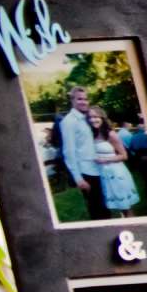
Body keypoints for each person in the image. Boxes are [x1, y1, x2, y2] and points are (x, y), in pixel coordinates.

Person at [56, 91, 101, 220]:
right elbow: (68, 152)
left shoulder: (85, 118)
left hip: (96, 168)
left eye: (86, 99)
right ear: (72, 100)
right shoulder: (68, 121)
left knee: (102, 206)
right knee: (97, 210)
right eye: (80, 99)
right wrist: (78, 178)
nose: (84, 102)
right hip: (86, 172)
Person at [92, 113, 140, 216]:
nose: (92, 120)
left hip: (117, 174)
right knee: (117, 207)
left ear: (102, 118)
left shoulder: (111, 134)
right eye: (90, 117)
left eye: (96, 116)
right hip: (104, 175)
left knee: (126, 207)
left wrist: (104, 160)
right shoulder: (92, 135)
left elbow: (124, 156)